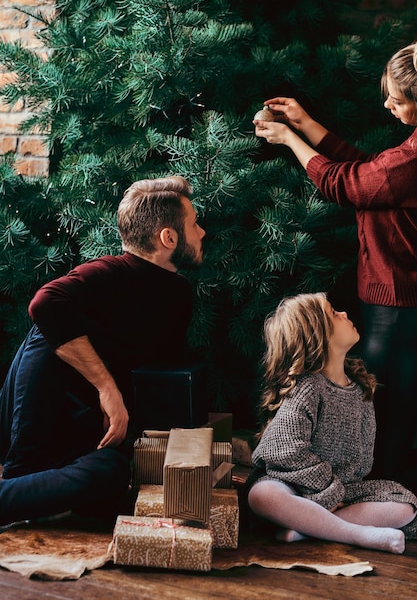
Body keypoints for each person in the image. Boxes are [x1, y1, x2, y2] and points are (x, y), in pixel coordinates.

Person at [252, 42, 417, 490]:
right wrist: (307, 124)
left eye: (397, 99)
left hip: (401, 311)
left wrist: (290, 139)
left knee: (391, 413)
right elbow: (371, 169)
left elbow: (350, 184)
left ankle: (387, 499)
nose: (387, 104)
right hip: (395, 306)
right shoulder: (406, 156)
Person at [0, 175, 205, 527]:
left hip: (87, 437)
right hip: (36, 425)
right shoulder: (109, 273)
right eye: (194, 223)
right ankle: (23, 475)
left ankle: (20, 497)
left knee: (111, 475)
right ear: (168, 238)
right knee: (46, 333)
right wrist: (107, 388)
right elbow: (44, 304)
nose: (201, 232)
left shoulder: (178, 294)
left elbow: (161, 376)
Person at [247, 292, 417, 554]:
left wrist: (335, 494)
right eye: (334, 314)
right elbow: (284, 451)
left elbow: (362, 462)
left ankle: (305, 530)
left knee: (404, 506)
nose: (346, 314)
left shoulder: (360, 390)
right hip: (293, 485)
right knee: (263, 495)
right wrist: (325, 493)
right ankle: (357, 534)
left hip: (341, 490)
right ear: (317, 336)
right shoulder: (308, 389)